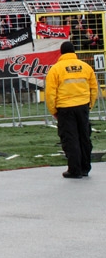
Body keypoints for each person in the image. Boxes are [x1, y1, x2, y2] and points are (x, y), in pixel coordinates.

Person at [44, 41, 97, 179]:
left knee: (70, 138)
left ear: (61, 52)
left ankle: (75, 170)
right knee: (84, 137)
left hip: (65, 108)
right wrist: (89, 105)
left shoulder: (56, 69)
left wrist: (53, 110)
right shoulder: (86, 67)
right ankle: (85, 167)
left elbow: (50, 92)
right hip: (83, 106)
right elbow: (93, 88)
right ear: (74, 52)